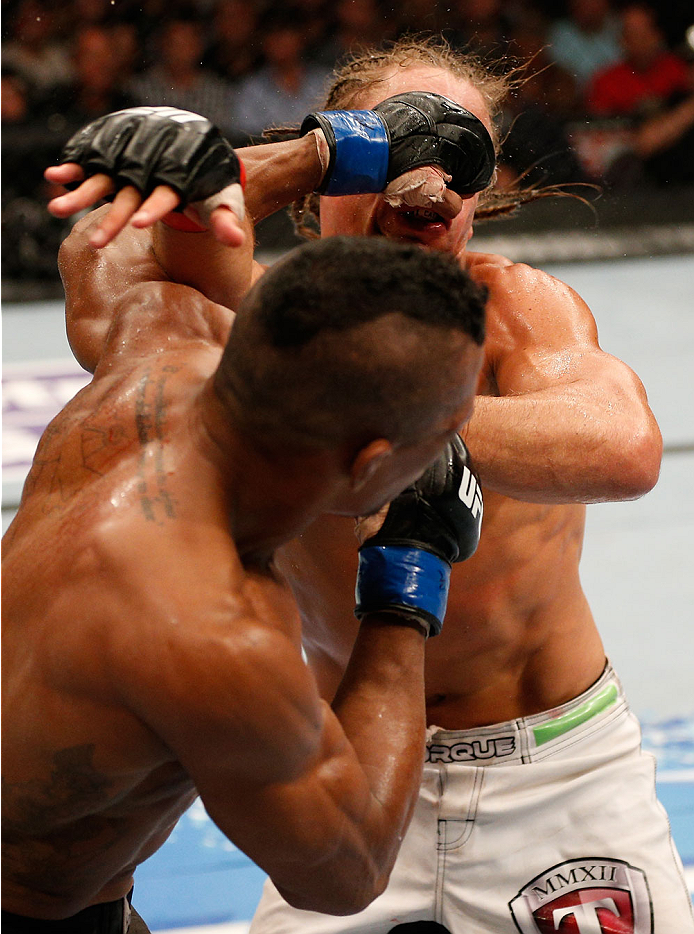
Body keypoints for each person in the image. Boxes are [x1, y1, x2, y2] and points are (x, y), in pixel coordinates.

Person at [44, 37, 693, 933]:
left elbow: (624, 448)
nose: (426, 177)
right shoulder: (257, 318)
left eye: (458, 154)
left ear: (484, 195)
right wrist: (310, 156)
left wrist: (381, 397)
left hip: (556, 777)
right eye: (393, 142)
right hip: (345, 768)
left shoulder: (512, 308)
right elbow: (115, 259)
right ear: (332, 169)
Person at [1, 108, 490, 930]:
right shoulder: (214, 636)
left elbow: (113, 241)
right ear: (373, 464)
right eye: (443, 439)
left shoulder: (153, 362)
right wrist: (411, 573)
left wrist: (324, 151)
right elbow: (347, 870)